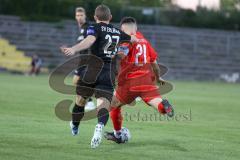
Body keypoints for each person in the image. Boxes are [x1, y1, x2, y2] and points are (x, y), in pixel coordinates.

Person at [61, 5, 137, 148]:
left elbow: (89, 40)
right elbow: (134, 40)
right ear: (110, 17)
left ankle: (75, 125)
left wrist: (73, 48)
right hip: (108, 72)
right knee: (103, 104)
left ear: (95, 17)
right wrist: (131, 43)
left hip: (92, 70)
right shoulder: (117, 32)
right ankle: (100, 126)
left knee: (80, 101)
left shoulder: (94, 27)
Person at [104, 17, 174, 143]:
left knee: (113, 105)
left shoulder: (126, 39)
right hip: (147, 81)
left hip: (129, 83)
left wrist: (111, 52)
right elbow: (154, 62)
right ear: (135, 28)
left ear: (122, 29)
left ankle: (118, 135)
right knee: (157, 103)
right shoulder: (144, 41)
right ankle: (164, 107)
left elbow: (122, 53)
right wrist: (158, 77)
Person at [73, 7, 95, 110]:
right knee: (77, 81)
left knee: (78, 81)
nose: (79, 17)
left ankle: (89, 102)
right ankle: (88, 101)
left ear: (85, 16)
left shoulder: (88, 27)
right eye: (77, 15)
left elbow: (90, 41)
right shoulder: (81, 28)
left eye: (81, 15)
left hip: (87, 59)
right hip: (82, 59)